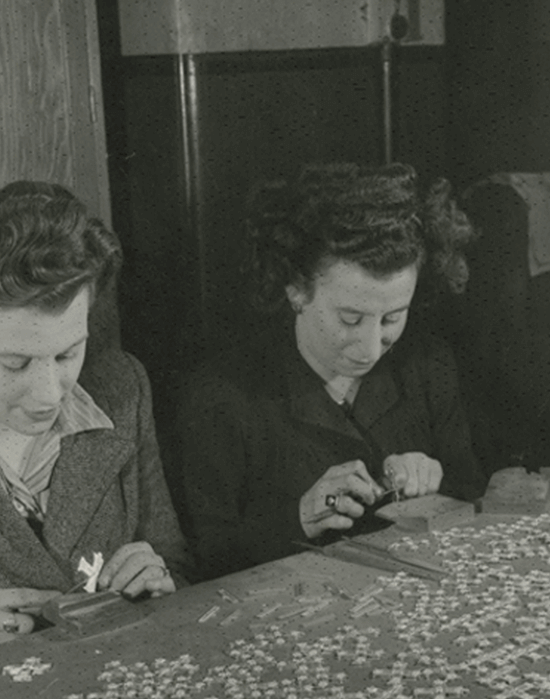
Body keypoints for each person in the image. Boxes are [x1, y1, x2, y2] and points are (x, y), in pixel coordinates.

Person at [0, 182, 186, 668]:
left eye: (69, 353)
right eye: (15, 364)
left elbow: (174, 560)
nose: (51, 392)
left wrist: (159, 579)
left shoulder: (122, 388)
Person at [175, 162, 486, 579]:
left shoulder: (427, 365)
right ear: (296, 290)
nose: (372, 347)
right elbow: (202, 561)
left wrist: (436, 483)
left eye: (393, 317)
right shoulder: (222, 395)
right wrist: (301, 517)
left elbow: (474, 502)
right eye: (351, 319)